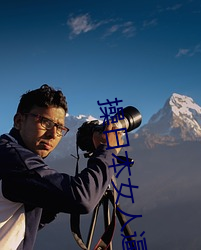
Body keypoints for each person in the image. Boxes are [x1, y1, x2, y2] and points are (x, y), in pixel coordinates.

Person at [0, 84, 123, 250]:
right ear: (19, 121)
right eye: (45, 122)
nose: (52, 134)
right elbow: (82, 199)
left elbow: (25, 223)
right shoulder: (14, 158)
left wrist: (55, 196)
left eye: (59, 128)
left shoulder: (11, 154)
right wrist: (108, 151)